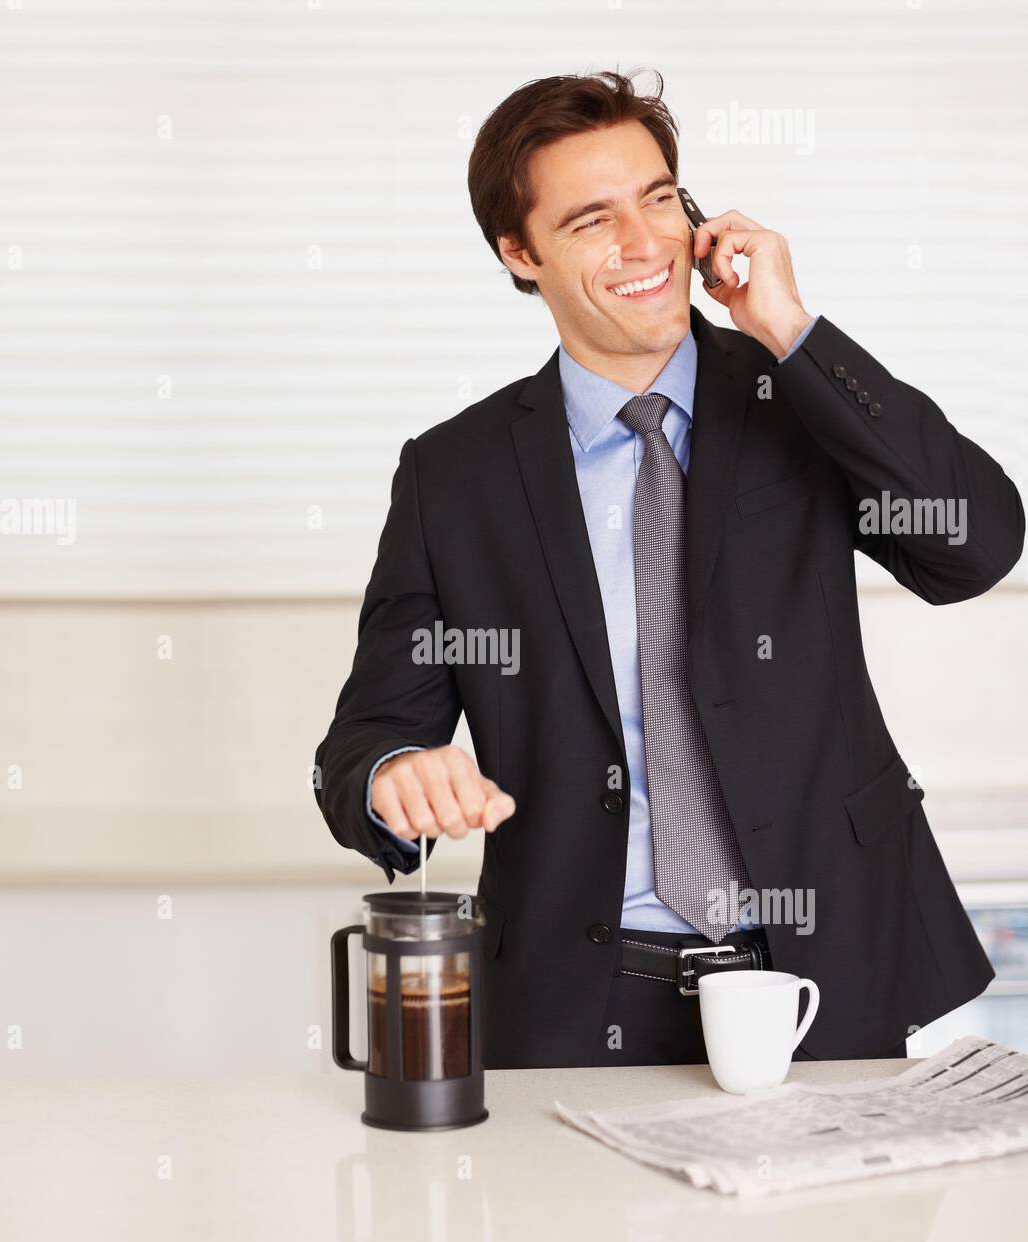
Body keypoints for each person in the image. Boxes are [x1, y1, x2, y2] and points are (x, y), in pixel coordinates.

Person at [314, 70, 1024, 1069]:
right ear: (521, 254)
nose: (644, 244)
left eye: (658, 199)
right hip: (574, 1000)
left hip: (823, 978)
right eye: (593, 220)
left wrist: (790, 329)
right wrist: (398, 776)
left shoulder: (794, 393)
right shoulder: (456, 478)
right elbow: (365, 741)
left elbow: (975, 544)